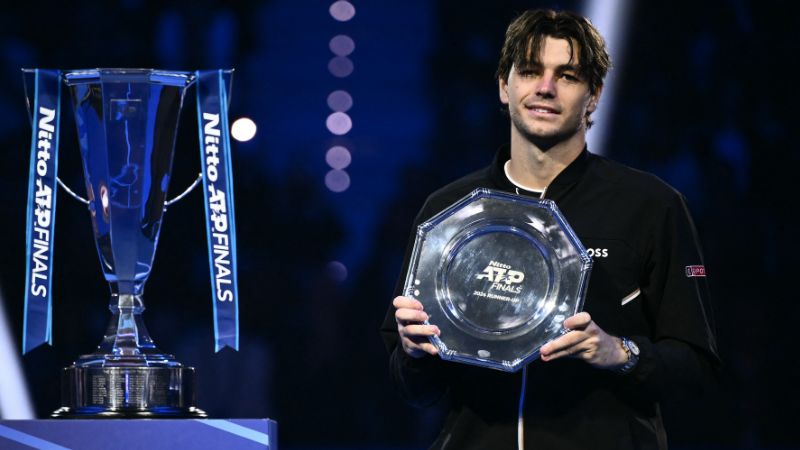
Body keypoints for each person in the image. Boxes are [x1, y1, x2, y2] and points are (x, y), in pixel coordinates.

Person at [381, 8, 720, 450]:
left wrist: (619, 352)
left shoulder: (651, 206)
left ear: (594, 95)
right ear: (504, 86)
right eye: (529, 71)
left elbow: (696, 366)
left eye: (567, 75)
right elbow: (413, 389)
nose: (545, 87)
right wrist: (413, 353)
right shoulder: (449, 211)